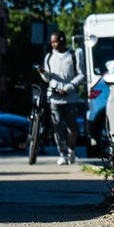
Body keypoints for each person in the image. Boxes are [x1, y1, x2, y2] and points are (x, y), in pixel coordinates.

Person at [41, 30, 85, 165]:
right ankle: (63, 154)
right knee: (57, 126)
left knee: (72, 128)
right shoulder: (49, 57)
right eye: (52, 42)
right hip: (54, 97)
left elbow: (81, 75)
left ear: (62, 40)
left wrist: (67, 88)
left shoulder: (74, 55)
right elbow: (47, 78)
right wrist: (43, 73)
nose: (53, 45)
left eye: (55, 41)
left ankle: (72, 151)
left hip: (70, 98)